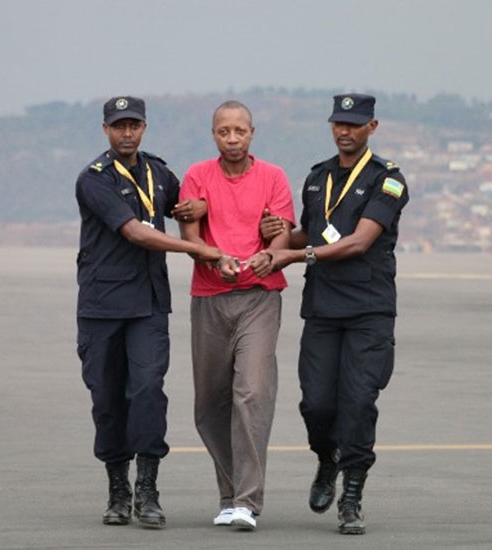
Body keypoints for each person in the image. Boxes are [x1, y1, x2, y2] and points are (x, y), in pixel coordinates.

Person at [261, 93, 410, 535]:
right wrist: (281, 236)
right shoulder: (317, 178)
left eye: (355, 124)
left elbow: (358, 242)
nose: (345, 130)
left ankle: (352, 496)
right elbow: (316, 231)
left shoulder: (389, 181)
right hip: (323, 310)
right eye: (338, 123)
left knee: (359, 403)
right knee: (317, 405)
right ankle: (327, 458)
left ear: (372, 127)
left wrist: (294, 255)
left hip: (369, 311)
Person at [75, 95, 221, 529]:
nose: (126, 133)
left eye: (134, 125)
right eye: (118, 126)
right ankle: (117, 489)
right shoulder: (93, 179)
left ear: (144, 127)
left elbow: (185, 205)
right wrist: (194, 248)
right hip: (101, 308)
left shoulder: (160, 173)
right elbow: (135, 232)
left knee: (147, 391)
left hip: (149, 308)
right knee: (106, 398)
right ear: (105, 130)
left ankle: (148, 488)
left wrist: (199, 208)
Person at [178, 100, 295, 531]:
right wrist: (213, 260)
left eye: (239, 131)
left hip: (259, 298)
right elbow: (190, 234)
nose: (232, 139)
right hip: (209, 297)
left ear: (252, 133)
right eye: (224, 131)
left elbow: (281, 233)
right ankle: (227, 495)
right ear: (214, 135)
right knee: (210, 403)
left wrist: (271, 256)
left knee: (251, 393)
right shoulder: (197, 175)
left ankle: (247, 501)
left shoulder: (273, 177)